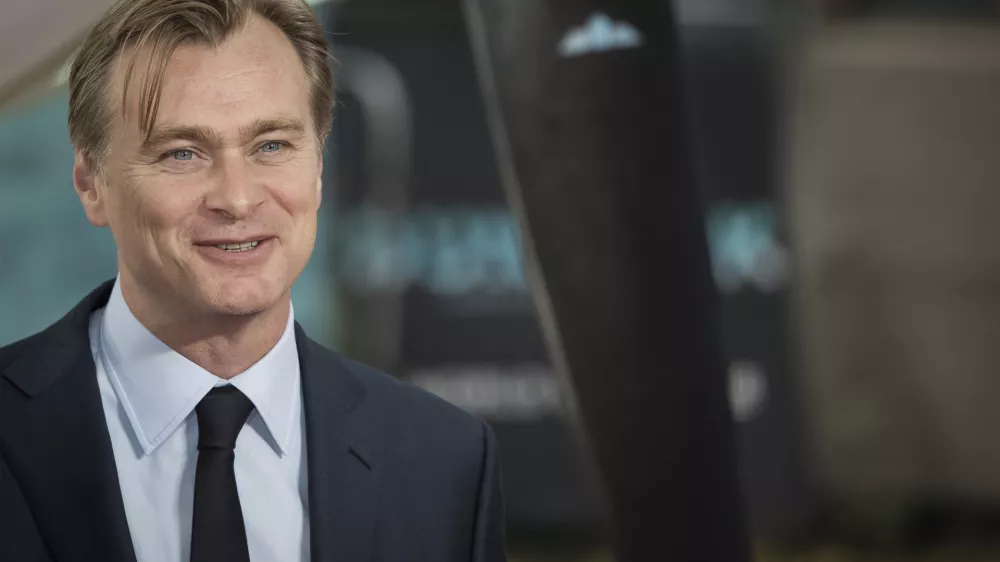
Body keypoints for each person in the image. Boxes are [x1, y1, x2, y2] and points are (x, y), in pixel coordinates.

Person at [0, 0, 506, 560]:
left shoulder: (445, 460)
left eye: (272, 146)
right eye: (182, 153)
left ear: (318, 167)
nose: (238, 199)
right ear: (91, 183)